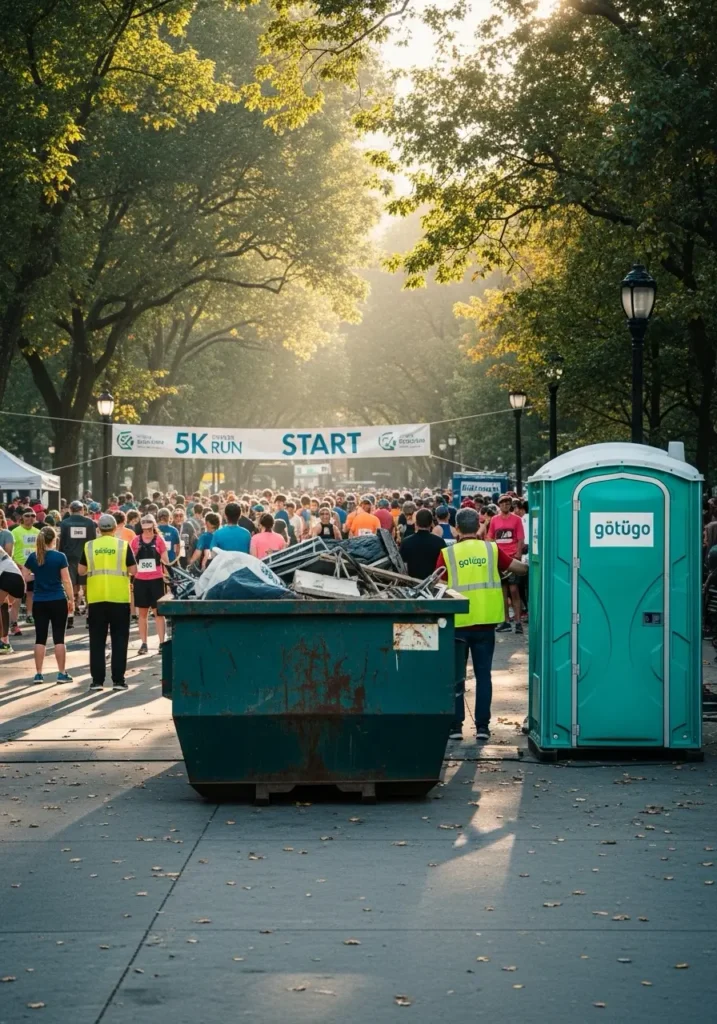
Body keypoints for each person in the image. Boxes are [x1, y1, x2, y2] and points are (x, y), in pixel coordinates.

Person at [437, 507, 528, 742]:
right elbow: (517, 568)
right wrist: (534, 564)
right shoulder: (492, 549)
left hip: (458, 623)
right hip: (486, 624)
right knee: (483, 676)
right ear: (478, 525)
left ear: (456, 528)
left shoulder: (447, 554)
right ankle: (483, 727)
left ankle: (456, 726)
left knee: (456, 677)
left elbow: (437, 583)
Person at [78, 513, 137, 691]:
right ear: (114, 528)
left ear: (99, 528)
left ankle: (97, 681)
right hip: (119, 598)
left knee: (97, 641)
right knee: (119, 640)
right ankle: (118, 680)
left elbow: (81, 571)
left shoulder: (89, 546)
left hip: (96, 599)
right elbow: (133, 570)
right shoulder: (123, 545)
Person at [23, 526, 74, 683]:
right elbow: (66, 579)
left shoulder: (34, 557)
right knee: (59, 638)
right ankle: (61, 673)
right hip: (58, 599)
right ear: (54, 540)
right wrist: (71, 598)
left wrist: (38, 575)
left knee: (40, 638)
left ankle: (38, 674)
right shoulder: (60, 557)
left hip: (39, 601)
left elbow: (25, 576)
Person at [130, 515, 170, 655]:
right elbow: (131, 560)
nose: (147, 531)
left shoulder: (159, 540)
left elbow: (166, 560)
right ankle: (144, 643)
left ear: (153, 527)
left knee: (158, 613)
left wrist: (168, 577)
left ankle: (161, 643)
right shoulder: (135, 541)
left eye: (149, 529)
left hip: (156, 580)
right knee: (142, 613)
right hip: (141, 580)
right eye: (144, 529)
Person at [487, 494, 526, 634]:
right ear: (499, 505)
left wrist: (518, 554)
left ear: (511, 505)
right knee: (502, 592)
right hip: (499, 559)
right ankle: (505, 621)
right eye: (503, 503)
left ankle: (518, 621)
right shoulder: (494, 520)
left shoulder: (517, 520)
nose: (505, 505)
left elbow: (520, 538)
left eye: (508, 503)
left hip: (512, 559)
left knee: (514, 590)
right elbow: (490, 537)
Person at [59, 499, 97, 628]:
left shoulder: (64, 523)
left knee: (71, 589)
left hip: (69, 559)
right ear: (83, 510)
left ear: (70, 510)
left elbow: (62, 543)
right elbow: (93, 541)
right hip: (85, 558)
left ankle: (70, 618)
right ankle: (89, 617)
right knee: (87, 589)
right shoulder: (90, 523)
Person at [10, 508, 40, 631]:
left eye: (33, 515)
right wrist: (16, 564)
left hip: (33, 567)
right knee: (17, 595)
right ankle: (14, 622)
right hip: (19, 566)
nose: (30, 518)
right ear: (22, 517)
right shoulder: (15, 531)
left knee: (31, 593)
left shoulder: (38, 532)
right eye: (27, 515)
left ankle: (29, 614)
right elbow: (10, 550)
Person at [400, 508, 446, 579]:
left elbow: (403, 568)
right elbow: (442, 567)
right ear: (431, 523)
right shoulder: (440, 542)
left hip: (412, 584)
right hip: (431, 583)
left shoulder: (406, 542)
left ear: (416, 523)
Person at [0, 546, 25, 655]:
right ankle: (5, 641)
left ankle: (3, 642)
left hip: (9, 577)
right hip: (16, 579)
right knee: (3, 606)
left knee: (3, 606)